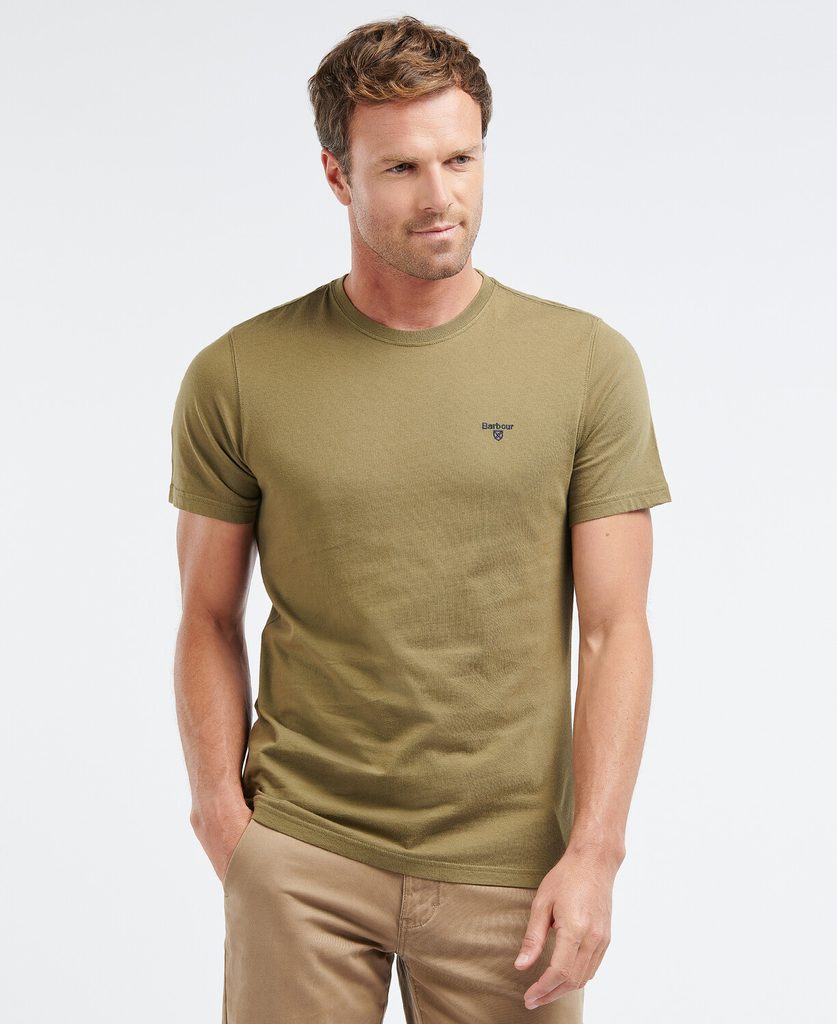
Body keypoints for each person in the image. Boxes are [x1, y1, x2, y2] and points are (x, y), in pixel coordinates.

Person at [168, 14, 672, 1024]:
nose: (440, 197)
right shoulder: (237, 374)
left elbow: (616, 629)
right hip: (303, 855)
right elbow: (206, 616)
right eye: (400, 167)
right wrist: (225, 820)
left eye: (460, 159)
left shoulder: (584, 364)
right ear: (336, 175)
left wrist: (595, 854)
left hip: (513, 873)